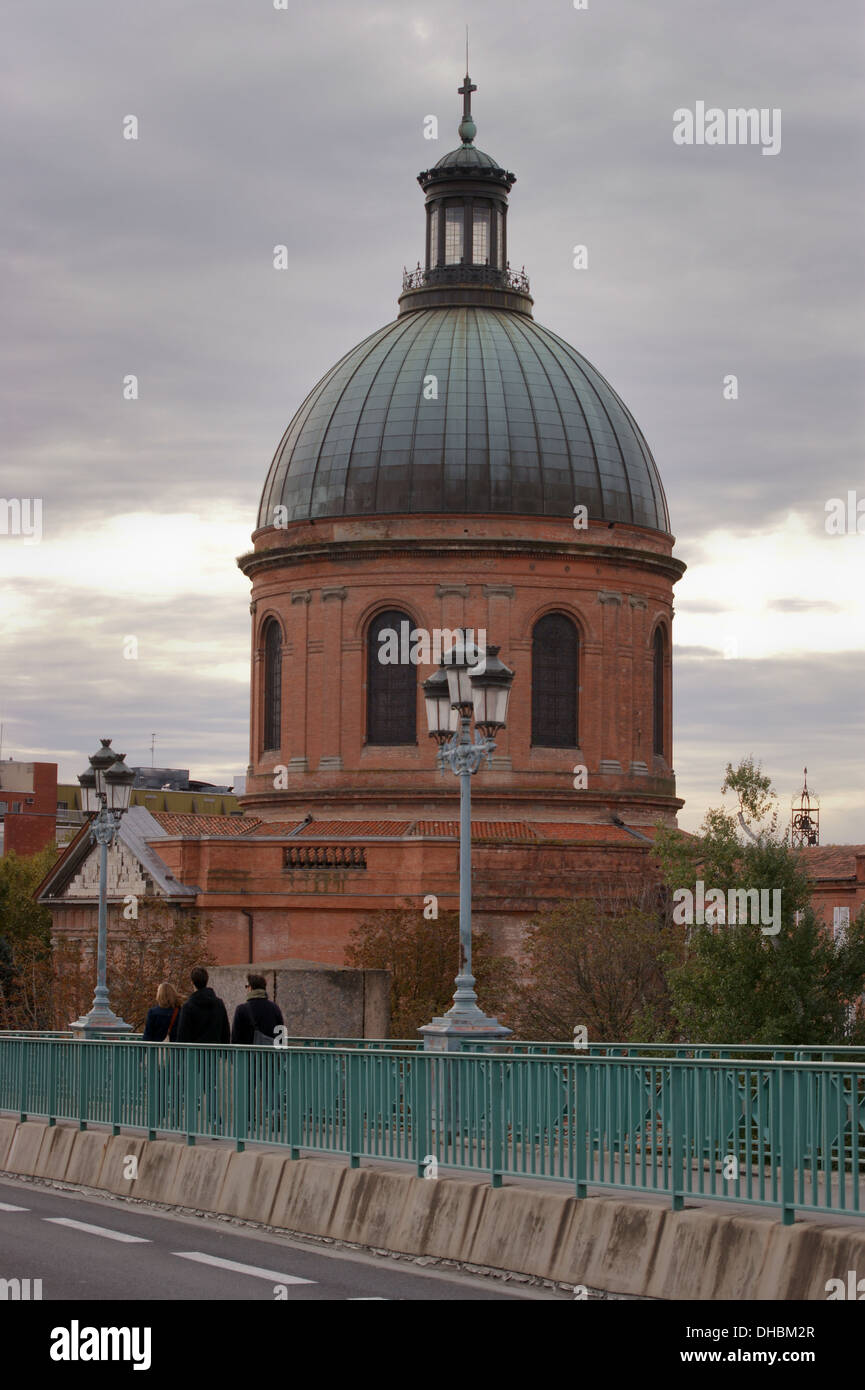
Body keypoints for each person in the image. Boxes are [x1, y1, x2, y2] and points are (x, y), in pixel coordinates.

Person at [176, 966, 230, 1044]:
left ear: (192, 982)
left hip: (194, 1053)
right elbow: (225, 1031)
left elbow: (182, 1035)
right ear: (206, 980)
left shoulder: (188, 1007)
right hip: (214, 1052)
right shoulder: (219, 1004)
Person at [231, 973, 284, 1045]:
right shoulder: (275, 1008)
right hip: (269, 1054)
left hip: (247, 1055)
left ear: (250, 988)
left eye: (246, 986)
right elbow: (281, 1035)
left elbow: (235, 1038)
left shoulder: (241, 1009)